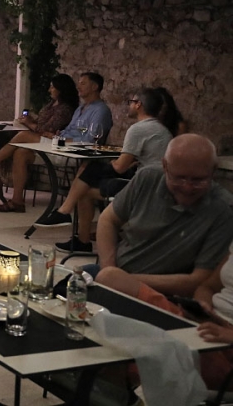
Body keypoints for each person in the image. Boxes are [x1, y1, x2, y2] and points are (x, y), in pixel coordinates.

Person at [93, 134, 233, 297]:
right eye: (179, 178)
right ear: (165, 166)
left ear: (213, 171)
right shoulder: (148, 178)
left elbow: (200, 280)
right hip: (114, 274)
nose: (187, 187)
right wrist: (109, 269)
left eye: (198, 180)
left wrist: (124, 280)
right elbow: (108, 220)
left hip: (162, 294)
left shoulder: (223, 210)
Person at [40, 88, 178, 251]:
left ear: (138, 105)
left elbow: (120, 167)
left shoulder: (139, 129)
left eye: (131, 102)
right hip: (159, 184)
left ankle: (70, 221)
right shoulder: (160, 129)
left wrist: (113, 163)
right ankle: (68, 217)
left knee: (88, 179)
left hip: (145, 188)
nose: (129, 106)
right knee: (89, 175)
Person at [97, 250, 233, 391]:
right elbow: (207, 286)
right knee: (110, 278)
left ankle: (111, 384)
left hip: (223, 346)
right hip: (208, 322)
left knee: (131, 345)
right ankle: (107, 383)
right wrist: (202, 306)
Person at [0, 73, 79, 206]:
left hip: (49, 141)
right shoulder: (51, 104)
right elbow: (40, 123)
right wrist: (30, 121)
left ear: (61, 89)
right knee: (2, 137)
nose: (49, 90)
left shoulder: (65, 109)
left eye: (52, 87)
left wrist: (30, 124)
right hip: (38, 136)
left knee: (20, 136)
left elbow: (47, 129)